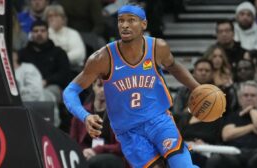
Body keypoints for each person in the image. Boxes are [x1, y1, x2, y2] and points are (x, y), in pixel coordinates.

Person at [63, 4, 200, 168]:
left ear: (144, 24)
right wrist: (85, 116)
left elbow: (174, 66)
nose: (125, 25)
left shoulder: (158, 47)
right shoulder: (102, 58)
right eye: (121, 21)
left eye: (131, 20)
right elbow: (70, 91)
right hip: (129, 132)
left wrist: (197, 88)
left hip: (159, 120)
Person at [69, 79, 125, 168]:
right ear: (93, 86)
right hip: (85, 154)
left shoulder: (119, 114)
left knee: (96, 162)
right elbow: (72, 141)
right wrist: (84, 152)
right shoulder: (81, 113)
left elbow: (122, 146)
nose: (103, 90)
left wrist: (97, 150)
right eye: (99, 85)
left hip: (112, 157)